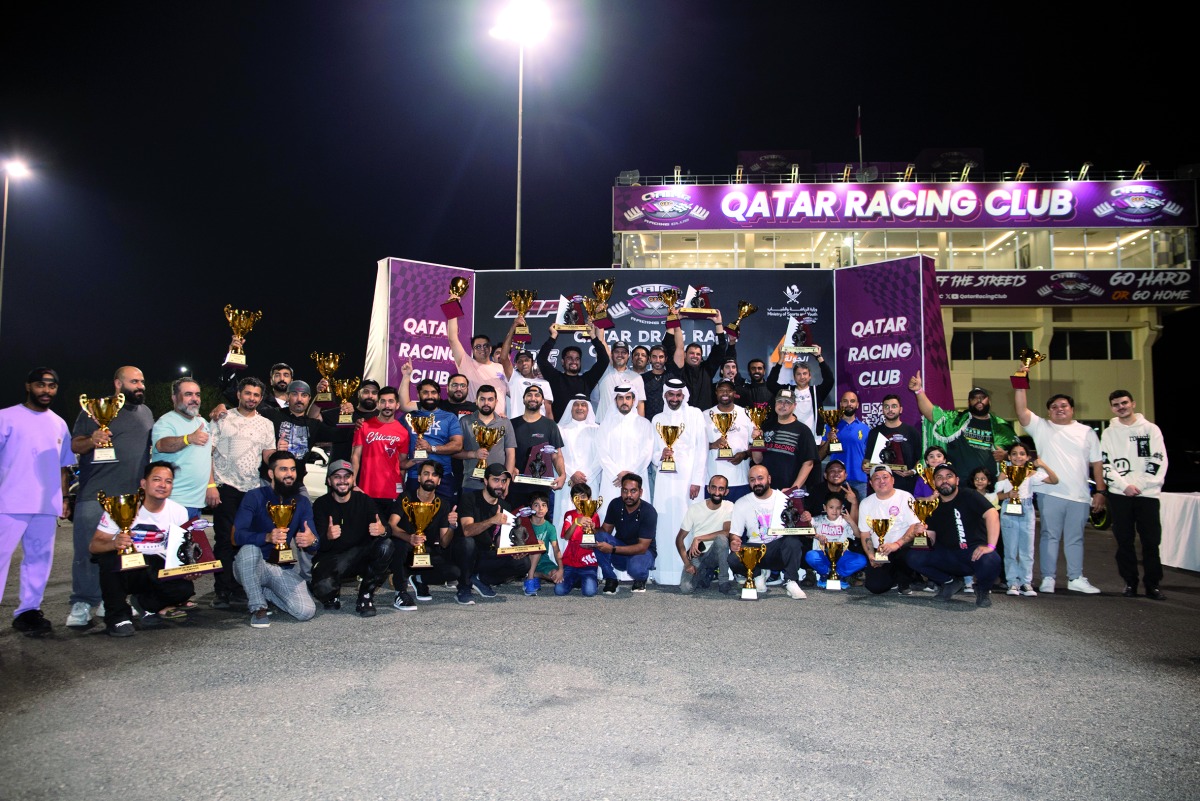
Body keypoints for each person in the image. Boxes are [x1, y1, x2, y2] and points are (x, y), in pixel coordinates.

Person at [67, 365, 154, 628]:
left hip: (129, 501)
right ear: (118, 384)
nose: (140, 386)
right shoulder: (94, 410)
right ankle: (82, 602)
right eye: (134, 381)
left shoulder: (147, 413)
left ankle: (111, 601)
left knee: (121, 550)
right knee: (86, 551)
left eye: (142, 381)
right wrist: (92, 440)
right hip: (94, 494)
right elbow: (75, 445)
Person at [0, 368, 75, 636]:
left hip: (46, 504)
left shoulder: (59, 423)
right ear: (28, 386)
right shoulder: (6, 417)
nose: (47, 390)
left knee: (39, 560)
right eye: (41, 385)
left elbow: (63, 466)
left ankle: (28, 612)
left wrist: (64, 497)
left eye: (52, 386)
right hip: (8, 502)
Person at [1014, 383, 1106, 595]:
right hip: (1050, 493)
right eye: (1054, 407)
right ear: (1049, 412)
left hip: (1080, 495)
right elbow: (1021, 411)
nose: (1059, 409)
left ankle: (1075, 578)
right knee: (1049, 535)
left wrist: (1100, 492)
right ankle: (1048, 578)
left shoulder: (1087, 432)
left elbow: (1097, 463)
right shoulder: (1042, 427)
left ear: (1072, 409)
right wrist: (1020, 382)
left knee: (1076, 538)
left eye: (1064, 405)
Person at [88, 461, 196, 636]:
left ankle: (145, 604)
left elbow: (179, 550)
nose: (163, 485)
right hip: (126, 566)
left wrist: (188, 569)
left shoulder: (179, 512)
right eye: (157, 479)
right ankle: (117, 618)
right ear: (144, 483)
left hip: (156, 565)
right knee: (107, 559)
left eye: (168, 481)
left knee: (184, 589)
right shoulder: (121, 505)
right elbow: (94, 546)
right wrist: (114, 543)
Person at [207, 376, 276, 610]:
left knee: (246, 541)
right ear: (239, 394)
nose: (252, 398)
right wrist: (210, 485)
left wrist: (281, 458)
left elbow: (267, 455)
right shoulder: (222, 417)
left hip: (252, 490)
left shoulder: (266, 424)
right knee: (224, 541)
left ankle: (241, 588)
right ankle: (222, 590)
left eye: (256, 395)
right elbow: (209, 452)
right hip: (226, 487)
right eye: (248, 393)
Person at [232, 451, 318, 627]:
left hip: (282, 568)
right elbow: (236, 537)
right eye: (284, 469)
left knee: (306, 611)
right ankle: (258, 608)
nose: (289, 474)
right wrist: (267, 537)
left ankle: (268, 592)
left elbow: (314, 543)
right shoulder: (254, 496)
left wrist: (311, 541)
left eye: (293, 469)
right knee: (250, 549)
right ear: (271, 473)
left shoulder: (301, 502)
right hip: (253, 565)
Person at [1101, 389, 1168, 600]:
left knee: (1150, 541)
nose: (1121, 407)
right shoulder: (1108, 433)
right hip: (1120, 495)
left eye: (1124, 403)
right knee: (1124, 541)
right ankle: (1130, 583)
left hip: (1147, 494)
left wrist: (1138, 485)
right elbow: (1105, 463)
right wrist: (1124, 486)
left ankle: (1153, 585)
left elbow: (1158, 459)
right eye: (1116, 404)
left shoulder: (1151, 429)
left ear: (1133, 403)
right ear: (1112, 408)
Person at [907, 464, 1003, 608]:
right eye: (939, 477)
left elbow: (992, 514)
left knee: (991, 559)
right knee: (913, 556)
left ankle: (982, 590)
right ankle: (949, 583)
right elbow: (931, 539)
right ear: (934, 483)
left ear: (957, 480)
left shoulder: (969, 495)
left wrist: (990, 546)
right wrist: (921, 534)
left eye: (949, 476)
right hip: (948, 556)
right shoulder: (932, 506)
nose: (944, 480)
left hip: (973, 553)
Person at [311, 460, 396, 617]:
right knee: (323, 589)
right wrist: (328, 537)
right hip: (334, 558)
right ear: (329, 481)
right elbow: (317, 545)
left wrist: (382, 530)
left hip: (361, 555)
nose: (342, 481)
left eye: (347, 476)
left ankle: (365, 595)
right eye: (337, 476)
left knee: (386, 545)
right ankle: (333, 593)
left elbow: (387, 529)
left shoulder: (364, 500)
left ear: (353, 480)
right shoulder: (321, 504)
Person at [650, 378, 708, 586]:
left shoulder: (695, 415)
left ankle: (691, 574)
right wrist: (660, 455)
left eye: (678, 395)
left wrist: (697, 481)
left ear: (684, 396)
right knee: (665, 525)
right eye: (671, 395)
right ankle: (664, 573)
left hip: (689, 483)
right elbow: (652, 453)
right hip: (665, 481)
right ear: (665, 396)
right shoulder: (657, 419)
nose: (674, 399)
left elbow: (702, 450)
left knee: (690, 524)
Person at [908, 374, 1019, 479]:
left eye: (982, 397)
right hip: (960, 483)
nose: (979, 400)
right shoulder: (957, 420)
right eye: (974, 398)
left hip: (989, 485)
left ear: (989, 401)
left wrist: (1006, 455)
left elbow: (1020, 452)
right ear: (969, 402)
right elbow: (932, 413)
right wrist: (918, 391)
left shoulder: (1001, 426)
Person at [726, 464, 806, 600]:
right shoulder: (741, 503)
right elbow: (735, 534)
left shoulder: (785, 499)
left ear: (769, 479)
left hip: (778, 549)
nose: (756, 483)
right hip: (755, 550)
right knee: (733, 558)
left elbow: (799, 524)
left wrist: (806, 518)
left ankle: (791, 581)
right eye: (752, 480)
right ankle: (757, 575)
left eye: (760, 478)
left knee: (793, 541)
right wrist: (734, 541)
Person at [388, 460, 458, 609]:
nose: (430, 477)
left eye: (434, 475)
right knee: (398, 546)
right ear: (419, 478)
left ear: (439, 481)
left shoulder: (443, 504)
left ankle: (420, 579)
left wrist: (452, 526)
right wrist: (409, 537)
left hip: (426, 553)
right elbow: (391, 526)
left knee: (454, 572)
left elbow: (444, 543)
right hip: (406, 550)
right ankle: (400, 593)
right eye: (426, 473)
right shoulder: (406, 498)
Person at [260, 380, 352, 491]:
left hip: (295, 484)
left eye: (304, 395)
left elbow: (341, 435)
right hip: (269, 482)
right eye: (294, 394)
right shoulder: (271, 415)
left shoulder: (313, 425)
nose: (299, 399)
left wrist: (348, 416)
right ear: (287, 396)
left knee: (306, 506)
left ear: (309, 399)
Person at [994, 442, 1057, 598]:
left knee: (1027, 549)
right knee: (1010, 548)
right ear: (1009, 457)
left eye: (1022, 453)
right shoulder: (1004, 473)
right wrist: (1008, 495)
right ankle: (1012, 582)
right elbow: (995, 495)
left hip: (1027, 509)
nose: (1018, 457)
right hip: (1009, 510)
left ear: (1028, 457)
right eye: (1014, 453)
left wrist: (1042, 465)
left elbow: (1054, 480)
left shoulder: (1031, 473)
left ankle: (1026, 582)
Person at [458, 463, 526, 604]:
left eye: (503, 481)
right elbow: (467, 531)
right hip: (465, 555)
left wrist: (518, 548)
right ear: (485, 481)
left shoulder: (505, 506)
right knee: (468, 543)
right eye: (496, 480)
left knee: (523, 563)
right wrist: (492, 520)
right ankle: (464, 587)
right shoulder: (469, 498)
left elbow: (500, 540)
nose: (500, 485)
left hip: (486, 556)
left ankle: (481, 580)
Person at [150, 377, 214, 517]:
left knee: (188, 540)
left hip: (197, 503)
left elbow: (205, 457)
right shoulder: (166, 421)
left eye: (197, 395)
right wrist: (188, 438)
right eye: (188, 394)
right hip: (174, 502)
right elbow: (161, 445)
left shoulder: (202, 422)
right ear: (174, 398)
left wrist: (211, 485)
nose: (194, 399)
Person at [857, 465, 923, 595]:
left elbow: (914, 526)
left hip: (902, 547)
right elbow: (865, 533)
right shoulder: (865, 503)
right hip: (880, 551)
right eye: (876, 478)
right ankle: (893, 578)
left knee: (909, 555)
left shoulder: (905, 497)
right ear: (871, 483)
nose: (881, 481)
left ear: (893, 480)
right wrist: (871, 555)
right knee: (875, 587)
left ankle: (905, 579)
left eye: (885, 477)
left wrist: (896, 544)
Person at [398, 373, 464, 503]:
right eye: (425, 392)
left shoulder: (449, 417)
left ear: (439, 396)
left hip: (442, 476)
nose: (430, 396)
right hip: (415, 475)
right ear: (418, 395)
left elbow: (457, 445)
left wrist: (431, 448)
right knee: (413, 517)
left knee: (444, 517)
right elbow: (391, 432)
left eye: (433, 393)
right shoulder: (408, 417)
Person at [350, 385, 410, 517]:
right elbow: (355, 457)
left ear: (397, 405)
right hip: (366, 491)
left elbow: (402, 464)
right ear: (377, 404)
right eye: (383, 401)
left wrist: (401, 488)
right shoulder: (364, 426)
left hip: (392, 492)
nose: (387, 405)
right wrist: (353, 483)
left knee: (389, 532)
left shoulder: (403, 432)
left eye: (391, 401)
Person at [504, 385, 566, 511]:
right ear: (523, 399)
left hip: (541, 489)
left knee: (539, 529)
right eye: (529, 395)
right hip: (516, 486)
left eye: (537, 395)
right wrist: (510, 468)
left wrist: (562, 474)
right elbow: (503, 452)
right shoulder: (511, 424)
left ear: (542, 400)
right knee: (514, 526)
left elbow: (556, 454)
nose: (533, 398)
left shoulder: (550, 425)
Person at [592, 473, 657, 594]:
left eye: (633, 491)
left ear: (641, 492)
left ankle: (641, 578)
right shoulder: (615, 504)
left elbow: (642, 547)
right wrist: (592, 528)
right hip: (620, 551)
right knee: (598, 537)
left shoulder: (649, 511)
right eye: (625, 491)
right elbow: (605, 531)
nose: (628, 495)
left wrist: (613, 549)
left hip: (643, 553)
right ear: (621, 490)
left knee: (636, 569)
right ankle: (610, 578)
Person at [536, 322, 610, 420]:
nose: (574, 361)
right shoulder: (555, 378)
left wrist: (592, 335)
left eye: (577, 358)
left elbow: (604, 360)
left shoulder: (587, 380)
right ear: (562, 362)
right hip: (561, 429)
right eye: (569, 358)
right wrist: (553, 336)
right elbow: (541, 359)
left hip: (582, 430)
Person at [675, 475, 734, 595]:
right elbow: (679, 539)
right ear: (708, 489)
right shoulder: (695, 509)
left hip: (716, 553)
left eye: (721, 489)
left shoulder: (729, 506)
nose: (717, 492)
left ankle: (723, 582)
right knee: (686, 588)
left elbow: (726, 532)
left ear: (726, 491)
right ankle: (706, 574)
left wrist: (699, 538)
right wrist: (687, 563)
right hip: (697, 554)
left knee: (722, 539)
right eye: (714, 488)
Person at [455, 384, 516, 499]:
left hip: (497, 486)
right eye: (482, 399)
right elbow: (454, 452)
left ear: (496, 402)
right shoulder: (465, 421)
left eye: (490, 399)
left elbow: (510, 454)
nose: (486, 403)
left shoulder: (505, 423)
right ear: (476, 401)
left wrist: (506, 483)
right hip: (471, 483)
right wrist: (473, 454)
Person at [664, 308, 728, 411]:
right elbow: (669, 347)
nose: (695, 356)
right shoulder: (679, 369)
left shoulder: (707, 370)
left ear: (701, 357)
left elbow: (720, 349)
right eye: (691, 353)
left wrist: (718, 324)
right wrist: (672, 320)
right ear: (685, 355)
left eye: (698, 354)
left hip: (704, 419)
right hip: (681, 418)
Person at [596, 386, 654, 498]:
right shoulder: (605, 424)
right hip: (612, 480)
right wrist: (617, 474)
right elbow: (601, 452)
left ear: (633, 401)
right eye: (620, 398)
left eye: (628, 398)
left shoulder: (645, 424)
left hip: (637, 477)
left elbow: (647, 452)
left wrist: (629, 475)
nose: (624, 402)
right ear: (615, 401)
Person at [553, 394, 600, 533]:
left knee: (590, 520)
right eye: (576, 404)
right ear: (570, 408)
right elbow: (556, 455)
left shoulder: (597, 429)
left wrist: (587, 477)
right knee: (564, 515)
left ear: (588, 408)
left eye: (583, 404)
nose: (580, 408)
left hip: (590, 481)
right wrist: (572, 474)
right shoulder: (560, 429)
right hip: (568, 481)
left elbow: (601, 456)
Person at [765, 347, 834, 438]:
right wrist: (781, 359)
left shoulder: (816, 392)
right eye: (798, 374)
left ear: (810, 376)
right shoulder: (788, 390)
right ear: (794, 377)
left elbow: (829, 380)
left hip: (813, 438)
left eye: (805, 373)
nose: (802, 377)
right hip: (790, 437)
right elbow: (770, 383)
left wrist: (819, 357)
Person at [704, 380, 754, 502]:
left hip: (740, 480)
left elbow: (756, 444)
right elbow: (696, 446)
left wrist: (744, 454)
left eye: (729, 390)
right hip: (713, 482)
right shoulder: (705, 415)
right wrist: (711, 445)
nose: (725, 393)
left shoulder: (746, 413)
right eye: (721, 390)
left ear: (734, 393)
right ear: (716, 392)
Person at [445, 313, 511, 405]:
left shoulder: (501, 368)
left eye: (485, 346)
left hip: (498, 418)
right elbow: (452, 338)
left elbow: (513, 392)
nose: (482, 349)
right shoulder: (465, 363)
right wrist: (452, 305)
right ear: (473, 350)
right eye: (478, 346)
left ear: (491, 348)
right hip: (473, 417)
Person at [805, 495, 868, 589]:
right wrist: (817, 535)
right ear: (824, 507)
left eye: (838, 508)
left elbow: (858, 535)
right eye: (831, 507)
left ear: (842, 508)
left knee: (862, 560)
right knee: (810, 555)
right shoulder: (817, 520)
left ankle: (840, 575)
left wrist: (851, 521)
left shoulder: (844, 522)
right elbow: (807, 532)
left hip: (841, 555)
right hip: (823, 554)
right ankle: (825, 574)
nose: (834, 511)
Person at [863, 394, 922, 493]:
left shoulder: (912, 431)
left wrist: (913, 471)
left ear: (901, 409)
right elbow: (867, 459)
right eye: (886, 406)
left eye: (894, 406)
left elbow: (921, 459)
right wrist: (865, 465)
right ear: (882, 410)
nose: (890, 409)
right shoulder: (874, 433)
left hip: (906, 487)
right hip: (881, 488)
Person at [820, 390, 871, 499]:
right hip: (837, 481)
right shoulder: (830, 425)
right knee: (837, 514)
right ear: (841, 404)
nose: (849, 404)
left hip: (859, 480)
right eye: (845, 401)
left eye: (852, 401)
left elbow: (869, 456)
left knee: (859, 514)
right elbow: (820, 456)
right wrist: (829, 439)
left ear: (857, 405)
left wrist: (869, 464)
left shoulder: (865, 429)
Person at [555, 482, 601, 597]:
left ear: (589, 498)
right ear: (571, 499)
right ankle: (576, 580)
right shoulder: (569, 515)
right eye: (576, 497)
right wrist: (577, 522)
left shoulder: (594, 515)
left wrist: (593, 529)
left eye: (583, 497)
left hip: (588, 563)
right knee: (559, 591)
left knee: (589, 592)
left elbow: (597, 536)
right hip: (570, 562)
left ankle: (587, 579)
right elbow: (566, 536)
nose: (580, 500)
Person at [319, 379, 380, 464]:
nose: (370, 395)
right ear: (359, 393)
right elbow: (313, 418)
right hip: (339, 472)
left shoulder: (382, 418)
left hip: (368, 473)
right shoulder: (344, 411)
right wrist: (320, 395)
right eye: (366, 392)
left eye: (374, 393)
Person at [592, 340, 646, 423]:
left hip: (628, 426)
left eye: (624, 352)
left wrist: (641, 425)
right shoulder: (604, 371)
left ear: (628, 356)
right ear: (612, 354)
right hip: (604, 425)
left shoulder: (637, 377)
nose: (620, 355)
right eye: (617, 352)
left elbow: (640, 404)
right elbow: (601, 341)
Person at [522, 492, 561, 595]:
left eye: (544, 505)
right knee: (538, 546)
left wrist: (561, 569)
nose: (540, 508)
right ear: (530, 508)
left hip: (543, 561)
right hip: (526, 559)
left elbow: (556, 549)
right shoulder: (524, 524)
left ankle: (535, 575)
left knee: (557, 575)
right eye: (536, 505)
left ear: (547, 509)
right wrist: (533, 543)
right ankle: (530, 580)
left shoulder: (550, 527)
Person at [506, 350, 554, 419]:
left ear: (533, 362)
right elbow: (503, 358)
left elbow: (548, 411)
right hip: (519, 425)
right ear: (516, 365)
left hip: (540, 426)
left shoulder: (544, 383)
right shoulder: (515, 379)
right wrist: (509, 338)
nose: (524, 363)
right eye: (520, 361)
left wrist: (551, 428)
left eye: (527, 360)